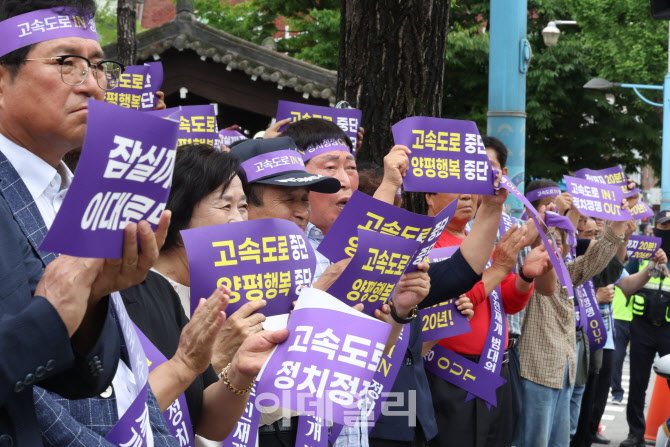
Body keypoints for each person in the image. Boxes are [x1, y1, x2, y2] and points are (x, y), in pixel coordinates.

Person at [0, 1, 173, 445]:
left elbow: (86, 379)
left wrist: (94, 299)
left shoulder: (85, 192)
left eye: (98, 66)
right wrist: (51, 316)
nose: (94, 87)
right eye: (67, 64)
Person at [284, 117, 511, 446]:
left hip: (400, 416)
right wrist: (389, 183)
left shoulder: (398, 260)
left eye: (351, 167)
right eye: (330, 168)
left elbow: (459, 272)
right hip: (334, 423)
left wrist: (491, 208)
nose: (344, 181)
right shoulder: (292, 258)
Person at [121, 144, 290, 444]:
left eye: (242, 207)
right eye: (225, 206)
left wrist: (240, 370)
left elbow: (207, 421)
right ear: (177, 211)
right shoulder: (125, 293)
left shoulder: (230, 295)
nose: (239, 221)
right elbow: (117, 415)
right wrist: (215, 354)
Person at [422, 185, 553, 447]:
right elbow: (452, 307)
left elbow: (511, 302)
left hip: (495, 371)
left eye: (470, 189)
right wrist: (499, 270)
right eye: (455, 189)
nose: (466, 196)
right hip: (449, 375)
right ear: (429, 196)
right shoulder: (425, 243)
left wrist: (526, 275)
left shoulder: (477, 241)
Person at [516, 186, 637, 447]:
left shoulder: (566, 272)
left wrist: (617, 225)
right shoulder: (526, 265)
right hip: (537, 372)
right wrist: (556, 214)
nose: (557, 246)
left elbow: (595, 259)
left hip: (567, 369)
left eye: (560, 241)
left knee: (562, 441)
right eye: (551, 240)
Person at [619, 211, 670, 447]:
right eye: (664, 225)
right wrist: (650, 264)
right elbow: (624, 282)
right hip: (642, 326)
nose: (667, 229)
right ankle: (635, 433)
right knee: (637, 383)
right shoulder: (642, 250)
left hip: (668, 328)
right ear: (655, 228)